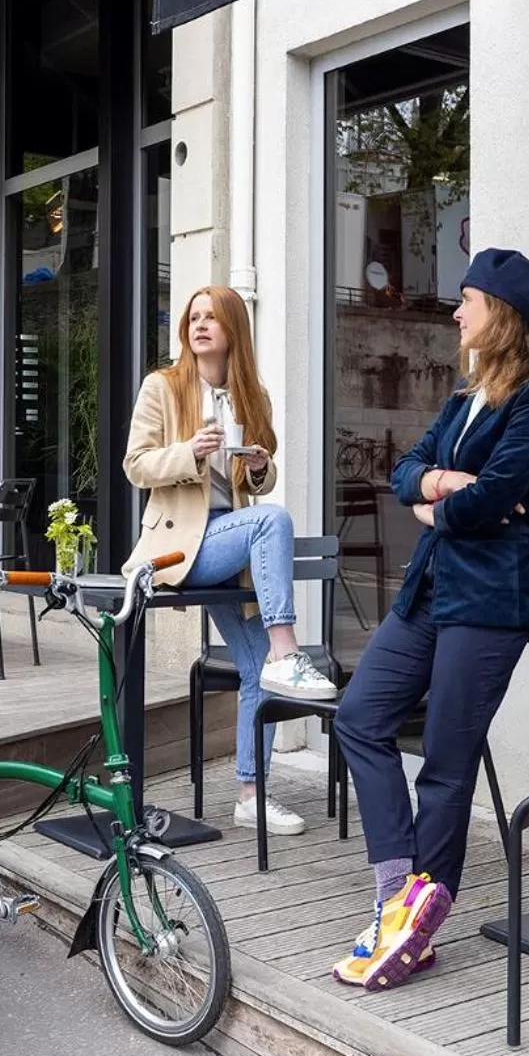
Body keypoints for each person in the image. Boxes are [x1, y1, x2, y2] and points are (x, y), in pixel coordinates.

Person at [330, 248, 529, 991]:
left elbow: (496, 494)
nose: (455, 311)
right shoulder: (467, 393)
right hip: (434, 587)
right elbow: (404, 469)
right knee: (359, 715)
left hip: (492, 597)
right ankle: (402, 891)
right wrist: (441, 482)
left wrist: (449, 499)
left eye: (466, 299)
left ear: (500, 312)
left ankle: (411, 920)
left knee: (446, 759)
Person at [122, 285, 338, 837]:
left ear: (232, 329)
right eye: (193, 318)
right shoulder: (163, 387)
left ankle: (251, 794)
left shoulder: (249, 394)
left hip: (228, 542)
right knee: (274, 520)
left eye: (211, 318)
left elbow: (256, 480)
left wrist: (261, 465)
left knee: (255, 666)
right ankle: (289, 650)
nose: (199, 326)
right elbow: (136, 464)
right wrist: (188, 451)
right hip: (180, 545)